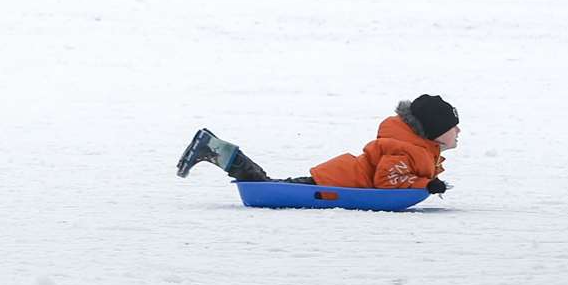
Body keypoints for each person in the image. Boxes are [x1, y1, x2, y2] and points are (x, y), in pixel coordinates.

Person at [175, 94, 459, 194]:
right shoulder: (405, 148)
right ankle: (219, 152)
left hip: (338, 178)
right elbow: (388, 180)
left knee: (275, 184)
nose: (457, 131)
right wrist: (426, 185)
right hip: (336, 183)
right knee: (271, 187)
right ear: (433, 131)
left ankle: (218, 150)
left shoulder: (416, 148)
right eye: (451, 126)